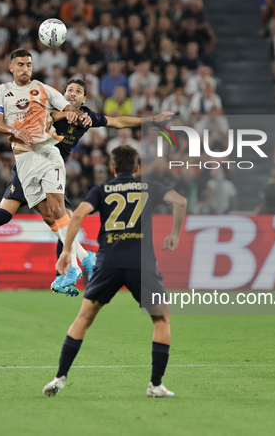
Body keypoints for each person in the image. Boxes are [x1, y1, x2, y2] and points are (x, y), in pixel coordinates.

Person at [0, 76, 173, 294]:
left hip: (53, 171)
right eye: (69, 90)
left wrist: (151, 120)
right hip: (30, 165)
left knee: (63, 219)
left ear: (84, 98)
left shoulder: (87, 117)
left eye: (78, 91)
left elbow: (118, 121)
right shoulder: (51, 107)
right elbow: (46, 117)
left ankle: (61, 277)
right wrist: (65, 115)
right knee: (3, 216)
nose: (72, 94)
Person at [43, 145, 187, 398]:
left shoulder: (102, 190)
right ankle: (155, 385)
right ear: (137, 168)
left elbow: (76, 216)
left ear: (112, 169)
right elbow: (180, 201)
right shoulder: (149, 187)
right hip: (141, 266)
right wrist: (174, 234)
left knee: (83, 320)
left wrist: (66, 252)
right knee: (161, 320)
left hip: (107, 263)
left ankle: (59, 378)